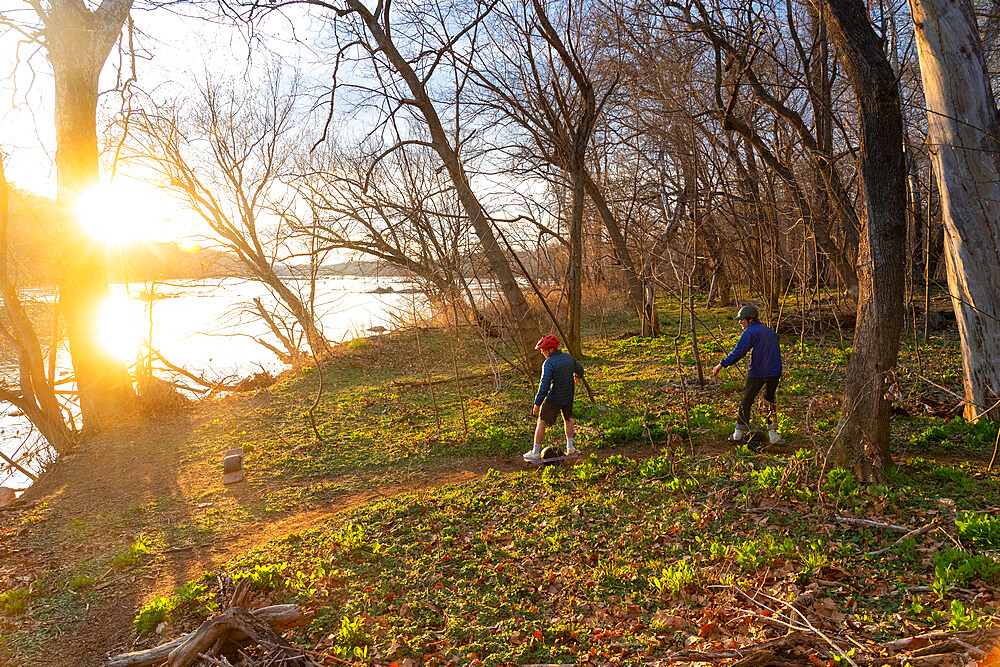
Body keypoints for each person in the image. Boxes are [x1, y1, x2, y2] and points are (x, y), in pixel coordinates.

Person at [711, 304, 783, 444]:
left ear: (750, 319)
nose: (740, 323)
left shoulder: (750, 332)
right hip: (775, 372)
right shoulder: (770, 332)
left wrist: (721, 364)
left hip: (758, 372)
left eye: (742, 320)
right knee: (770, 401)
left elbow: (739, 352)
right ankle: (773, 435)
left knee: (747, 401)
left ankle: (738, 434)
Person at [524, 334, 585, 461]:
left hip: (554, 398)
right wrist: (578, 376)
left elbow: (544, 385)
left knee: (541, 421)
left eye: (543, 350)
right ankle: (570, 448)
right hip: (568, 396)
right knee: (568, 419)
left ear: (551, 349)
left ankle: (535, 452)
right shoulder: (569, 358)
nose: (542, 353)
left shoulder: (548, 363)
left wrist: (537, 403)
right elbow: (580, 369)